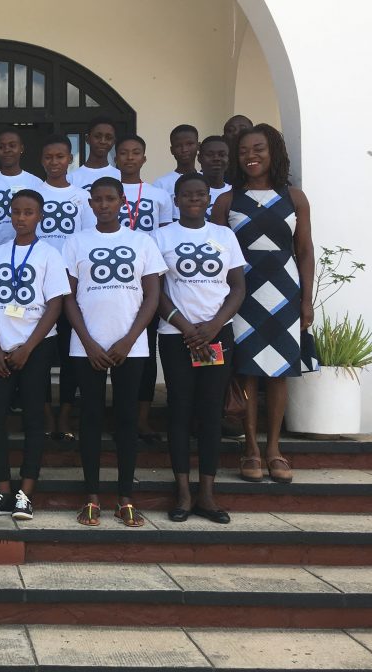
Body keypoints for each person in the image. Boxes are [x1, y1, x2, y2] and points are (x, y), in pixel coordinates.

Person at [211, 124, 314, 484]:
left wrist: (306, 300)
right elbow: (215, 255)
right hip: (242, 295)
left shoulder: (294, 197)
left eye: (258, 149)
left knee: (278, 372)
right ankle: (251, 449)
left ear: (274, 152)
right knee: (247, 372)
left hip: (283, 293)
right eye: (243, 151)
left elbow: (304, 250)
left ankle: (274, 450)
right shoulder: (227, 201)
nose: (250, 156)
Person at [64, 177, 165, 527]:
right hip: (86, 347)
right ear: (90, 203)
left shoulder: (142, 241)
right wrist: (88, 342)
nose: (104, 205)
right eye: (98, 199)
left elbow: (152, 296)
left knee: (126, 420)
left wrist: (129, 339)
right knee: (90, 419)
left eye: (110, 198)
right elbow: (67, 297)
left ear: (123, 201)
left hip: (130, 347)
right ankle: (91, 497)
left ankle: (125, 498)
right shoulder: (76, 242)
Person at [155, 173, 245, 523]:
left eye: (200, 194)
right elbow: (155, 292)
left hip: (216, 336)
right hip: (176, 336)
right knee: (179, 410)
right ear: (175, 199)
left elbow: (237, 287)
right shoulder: (161, 236)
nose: (194, 199)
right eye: (187, 194)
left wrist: (213, 326)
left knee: (210, 412)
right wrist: (187, 328)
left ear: (209, 198)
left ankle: (207, 494)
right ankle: (182, 492)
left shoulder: (224, 236)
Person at [0, 189, 69, 520]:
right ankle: (2, 490)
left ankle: (25, 493)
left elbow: (55, 305)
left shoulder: (49, 255)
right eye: (16, 211)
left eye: (28, 212)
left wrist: (28, 348)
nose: (21, 217)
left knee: (33, 419)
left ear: (39, 216)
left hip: (36, 348)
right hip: (1, 349)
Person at [114, 135, 172, 444]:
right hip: (112, 278)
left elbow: (164, 238)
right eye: (124, 152)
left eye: (136, 152)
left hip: (147, 277)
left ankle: (142, 418)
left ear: (144, 158)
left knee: (145, 351)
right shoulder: (105, 193)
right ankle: (116, 416)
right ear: (116, 158)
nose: (129, 157)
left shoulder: (159, 195)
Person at [36, 135, 94, 440]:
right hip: (39, 285)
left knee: (71, 351)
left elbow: (87, 241)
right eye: (49, 156)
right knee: (43, 352)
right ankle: (46, 414)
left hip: (72, 285)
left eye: (60, 156)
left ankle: (66, 412)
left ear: (70, 159)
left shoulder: (82, 196)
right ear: (41, 160)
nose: (54, 162)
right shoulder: (34, 193)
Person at [0, 130, 41, 249]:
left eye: (12, 145)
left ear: (21, 148)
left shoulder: (36, 183)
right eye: (1, 147)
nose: (6, 150)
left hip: (31, 252)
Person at [154, 124, 200, 211]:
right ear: (172, 150)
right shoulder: (161, 184)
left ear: (198, 146)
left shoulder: (206, 179)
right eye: (178, 146)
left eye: (189, 144)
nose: (184, 149)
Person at [68, 117, 120, 191]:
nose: (103, 141)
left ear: (114, 141)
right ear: (87, 139)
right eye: (97, 137)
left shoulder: (121, 177)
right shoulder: (71, 178)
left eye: (108, 138)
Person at [198, 135, 232, 220]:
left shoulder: (235, 193)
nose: (216, 158)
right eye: (210, 155)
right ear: (199, 158)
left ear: (229, 159)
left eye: (222, 155)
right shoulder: (189, 191)